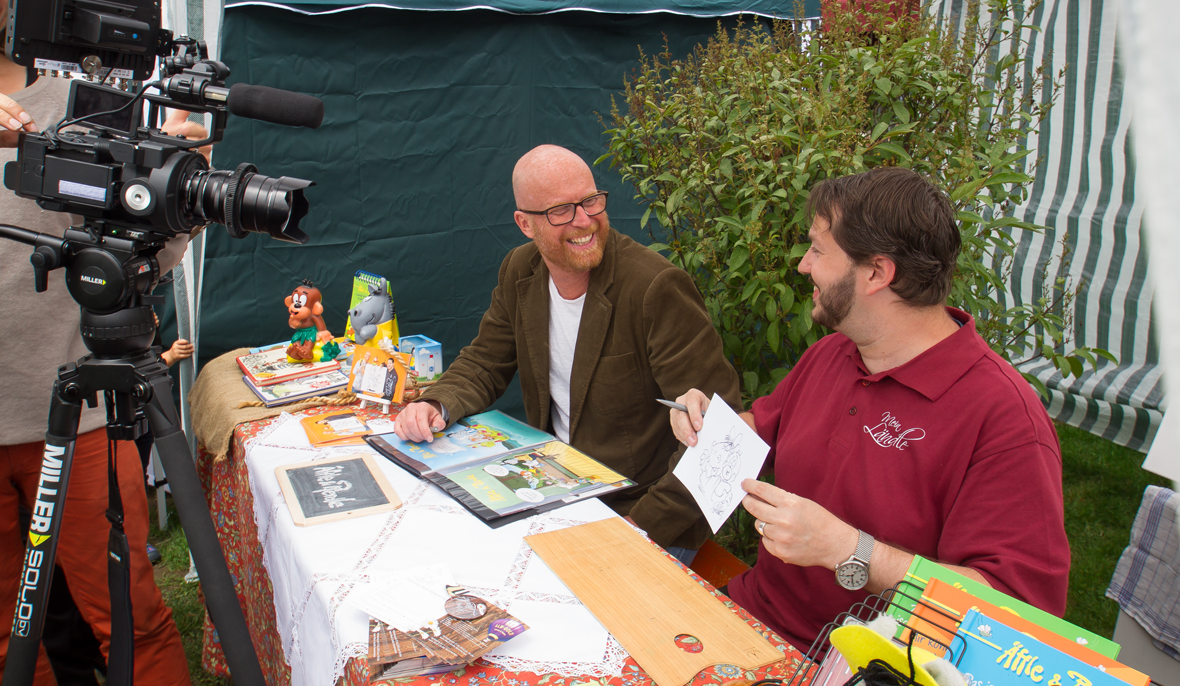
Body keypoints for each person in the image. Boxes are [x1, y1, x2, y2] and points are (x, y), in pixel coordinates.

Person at [669, 167, 1070, 653]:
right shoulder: (834, 353)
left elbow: (1015, 614)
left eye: (818, 250)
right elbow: (762, 432)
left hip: (866, 665)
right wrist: (709, 424)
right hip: (749, 620)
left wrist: (850, 550)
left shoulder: (1004, 418)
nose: (802, 266)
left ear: (878, 272)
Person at [0, 0, 192, 684]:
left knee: (130, 622)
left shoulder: (78, 104)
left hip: (75, 411)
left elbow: (142, 265)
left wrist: (174, 199)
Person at [395, 144, 742, 559]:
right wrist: (437, 401)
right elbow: (486, 360)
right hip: (551, 488)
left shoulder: (655, 287)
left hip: (639, 509)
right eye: (561, 210)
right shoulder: (519, 270)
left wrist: (639, 529)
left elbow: (722, 432)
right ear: (525, 224)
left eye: (591, 201)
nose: (585, 221)